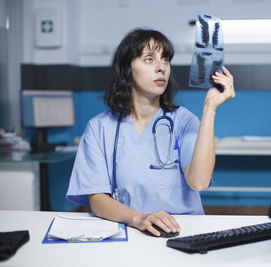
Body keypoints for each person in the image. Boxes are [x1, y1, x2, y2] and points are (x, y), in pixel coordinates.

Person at [66, 28, 235, 237]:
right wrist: (140, 219)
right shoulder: (99, 128)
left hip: (184, 231)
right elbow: (98, 200)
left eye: (165, 60)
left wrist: (210, 108)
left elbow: (198, 182)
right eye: (149, 59)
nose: (161, 67)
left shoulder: (184, 121)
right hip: (130, 230)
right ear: (127, 69)